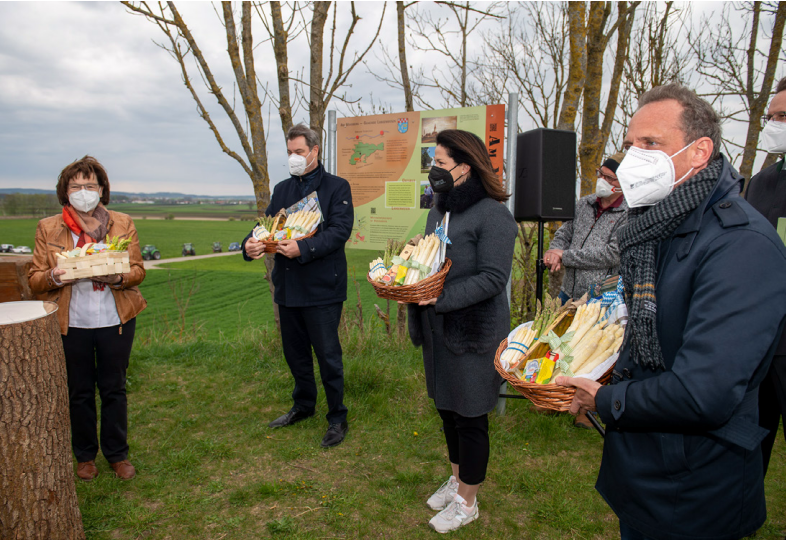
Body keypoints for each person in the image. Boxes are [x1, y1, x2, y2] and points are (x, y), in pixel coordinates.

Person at [557, 84, 786, 539]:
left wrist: (604, 399)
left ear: (699, 151)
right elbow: (646, 336)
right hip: (645, 470)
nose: (633, 157)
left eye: (650, 144)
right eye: (629, 144)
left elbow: (704, 392)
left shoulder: (741, 244)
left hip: (696, 486)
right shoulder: (657, 227)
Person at [407, 129, 517, 534]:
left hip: (473, 332)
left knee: (470, 416)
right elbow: (436, 258)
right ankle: (456, 480)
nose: (433, 170)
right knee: (448, 411)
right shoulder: (439, 210)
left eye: (439, 163)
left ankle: (467, 501)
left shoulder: (493, 215)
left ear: (465, 167)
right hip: (437, 332)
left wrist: (438, 299)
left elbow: (492, 278)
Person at [28, 156, 147, 481]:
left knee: (114, 389)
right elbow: (35, 279)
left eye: (90, 185)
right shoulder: (49, 227)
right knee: (79, 391)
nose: (83, 191)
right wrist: (55, 276)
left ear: (102, 190)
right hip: (72, 322)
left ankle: (117, 454)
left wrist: (117, 277)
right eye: (76, 185)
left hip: (115, 318)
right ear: (65, 191)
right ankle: (84, 456)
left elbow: (138, 270)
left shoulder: (122, 223)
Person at [242, 124, 354, 448]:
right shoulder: (281, 191)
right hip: (288, 288)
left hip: (322, 289)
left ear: (315, 151)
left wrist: (304, 248)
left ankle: (337, 417)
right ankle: (303, 406)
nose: (294, 157)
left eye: (299, 152)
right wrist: (249, 244)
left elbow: (339, 231)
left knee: (327, 355)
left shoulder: (336, 188)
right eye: (290, 152)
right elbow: (267, 227)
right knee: (295, 355)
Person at [745, 76, 785, 477]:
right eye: (772, 116)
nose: (774, 124)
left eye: (784, 116)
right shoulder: (762, 182)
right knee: (753, 437)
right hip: (761, 336)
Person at [545, 152, 628, 304]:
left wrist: (565, 256)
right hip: (568, 293)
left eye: (609, 178)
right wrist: (554, 252)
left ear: (622, 183)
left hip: (600, 298)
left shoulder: (627, 213)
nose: (602, 180)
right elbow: (564, 233)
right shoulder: (584, 203)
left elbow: (612, 254)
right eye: (601, 174)